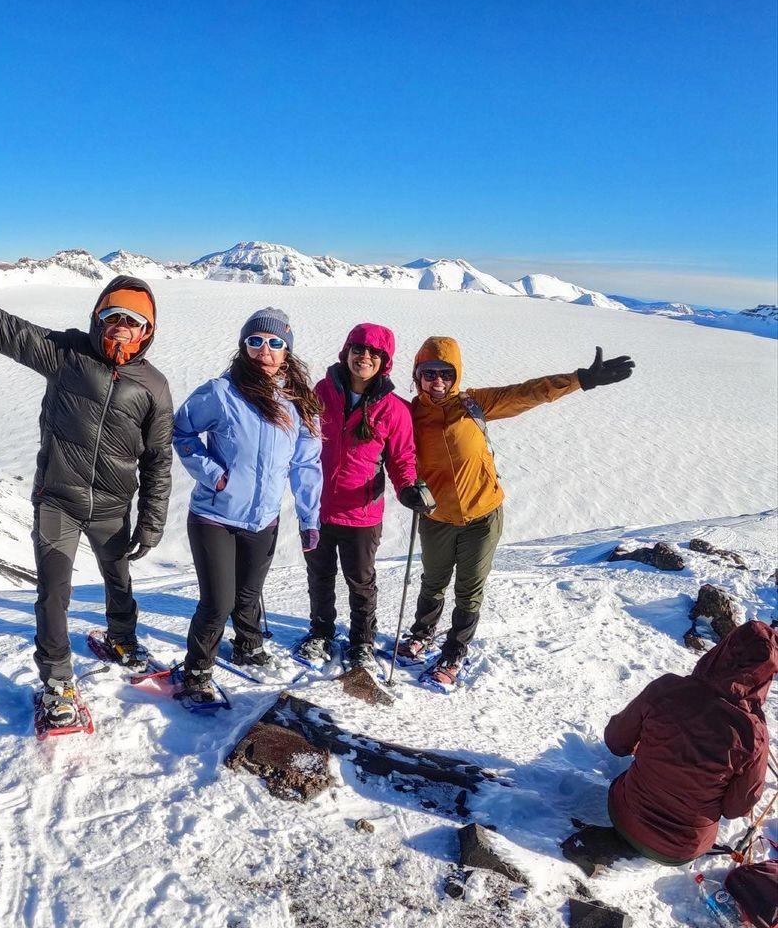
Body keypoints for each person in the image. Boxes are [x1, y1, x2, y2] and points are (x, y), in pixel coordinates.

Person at [0, 238, 173, 727]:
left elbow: (159, 460)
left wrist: (152, 522)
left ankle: (122, 639)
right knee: (54, 592)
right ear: (98, 317)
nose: (120, 327)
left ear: (147, 331)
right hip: (59, 501)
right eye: (112, 316)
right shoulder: (66, 354)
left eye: (132, 321)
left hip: (113, 507)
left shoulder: (154, 386)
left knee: (120, 581)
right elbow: (0, 327)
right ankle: (56, 680)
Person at [404, 337, 634, 688]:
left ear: (457, 375)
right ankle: (422, 634)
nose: (437, 381)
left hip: (483, 515)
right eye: (429, 373)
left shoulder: (474, 403)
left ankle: (454, 652)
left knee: (469, 589)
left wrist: (579, 379)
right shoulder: (409, 414)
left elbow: (527, 393)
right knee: (433, 582)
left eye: (446, 373)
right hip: (436, 517)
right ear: (417, 375)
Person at [173, 308, 322, 704]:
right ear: (243, 347)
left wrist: (310, 517)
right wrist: (212, 473)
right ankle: (197, 672)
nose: (265, 350)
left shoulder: (299, 403)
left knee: (248, 594)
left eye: (275, 343)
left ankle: (248, 646)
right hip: (213, 516)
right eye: (255, 341)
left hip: (263, 519)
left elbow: (306, 463)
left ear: (287, 351)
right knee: (217, 601)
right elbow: (181, 430)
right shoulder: (221, 393)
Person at [295, 323, 431, 671]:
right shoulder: (322, 391)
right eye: (358, 349)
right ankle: (320, 633)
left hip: (361, 513)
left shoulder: (393, 409)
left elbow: (402, 459)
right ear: (347, 351)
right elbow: (301, 439)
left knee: (361, 582)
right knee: (319, 576)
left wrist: (409, 489)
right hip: (319, 507)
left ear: (384, 361)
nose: (364, 357)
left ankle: (362, 642)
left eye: (374, 353)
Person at [604, 620, 777, 864]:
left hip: (624, 816)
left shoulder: (667, 688)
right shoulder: (753, 734)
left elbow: (615, 741)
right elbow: (735, 808)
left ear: (722, 650)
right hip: (681, 848)